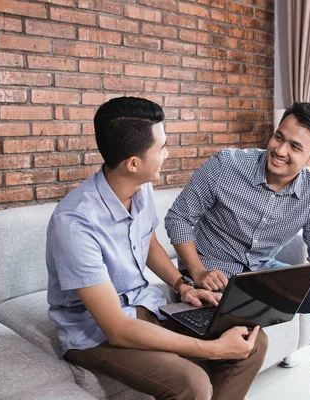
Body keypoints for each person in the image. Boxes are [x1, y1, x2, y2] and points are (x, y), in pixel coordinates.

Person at [46, 96, 267, 400]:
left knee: (252, 340)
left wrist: (182, 285)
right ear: (133, 163)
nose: (167, 153)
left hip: (144, 304)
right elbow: (117, 328)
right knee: (193, 382)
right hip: (93, 334)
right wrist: (212, 349)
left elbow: (147, 241)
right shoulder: (74, 223)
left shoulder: (140, 187)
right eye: (161, 147)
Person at [165, 102, 310, 400]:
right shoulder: (227, 165)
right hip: (213, 277)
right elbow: (179, 217)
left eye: (294, 146)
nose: (280, 150)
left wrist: (304, 277)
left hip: (260, 278)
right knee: (243, 330)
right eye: (279, 137)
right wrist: (198, 271)